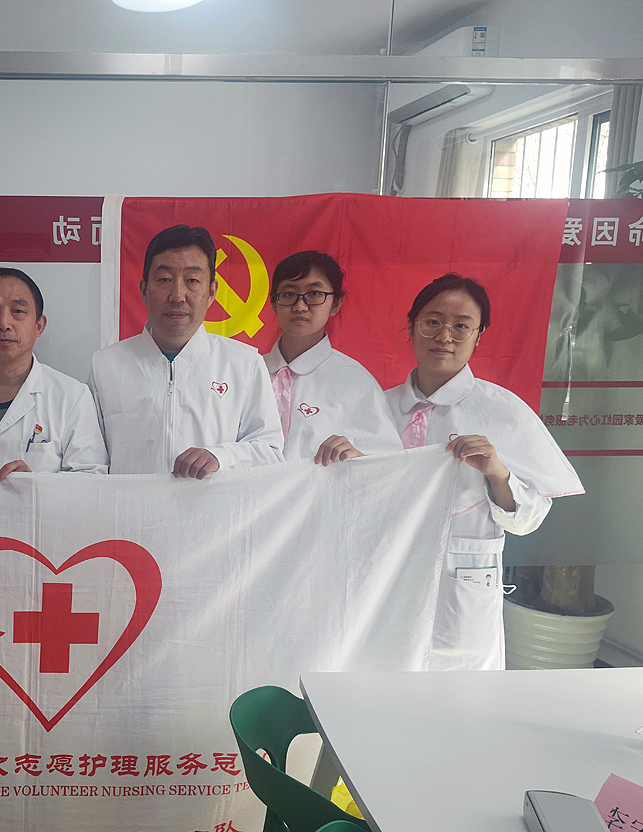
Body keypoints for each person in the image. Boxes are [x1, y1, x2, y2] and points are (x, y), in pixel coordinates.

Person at [386, 274, 583, 670]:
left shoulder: (502, 411)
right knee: (380, 676)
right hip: (386, 575)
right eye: (432, 321)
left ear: (479, 336)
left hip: (460, 585)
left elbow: (528, 521)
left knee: (460, 691)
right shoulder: (378, 406)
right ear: (411, 327)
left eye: (461, 326)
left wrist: (497, 473)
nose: (445, 336)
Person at [89, 224, 283, 477]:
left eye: (192, 280)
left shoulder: (244, 363)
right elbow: (90, 462)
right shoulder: (106, 365)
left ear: (211, 291)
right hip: (129, 503)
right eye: (164, 280)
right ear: (144, 289)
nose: (178, 295)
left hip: (212, 504)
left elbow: (270, 452)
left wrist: (221, 457)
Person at [0, 267, 107, 480]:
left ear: (39, 326)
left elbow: (92, 480)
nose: (4, 324)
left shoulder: (72, 396)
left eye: (17, 311)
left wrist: (35, 486)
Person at [262, 251, 401, 464]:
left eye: (314, 294)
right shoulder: (249, 371)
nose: (300, 306)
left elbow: (390, 464)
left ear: (335, 303)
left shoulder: (356, 382)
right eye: (289, 294)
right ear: (274, 302)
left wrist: (358, 457)